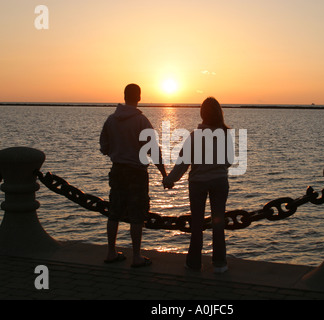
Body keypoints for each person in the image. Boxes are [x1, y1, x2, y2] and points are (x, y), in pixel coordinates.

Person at [163, 97, 233, 273]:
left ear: (202, 114)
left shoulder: (195, 136)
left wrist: (170, 180)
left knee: (196, 224)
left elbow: (183, 163)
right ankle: (220, 264)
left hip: (198, 183)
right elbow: (229, 161)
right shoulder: (225, 134)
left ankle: (194, 263)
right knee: (218, 223)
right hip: (219, 182)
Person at [100, 83, 167, 267]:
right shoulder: (141, 121)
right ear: (139, 97)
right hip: (136, 172)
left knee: (114, 212)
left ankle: (110, 252)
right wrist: (164, 174)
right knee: (137, 215)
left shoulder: (111, 120)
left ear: (124, 96)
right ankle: (136, 256)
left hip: (117, 170)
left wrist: (118, 150)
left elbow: (104, 147)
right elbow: (153, 150)